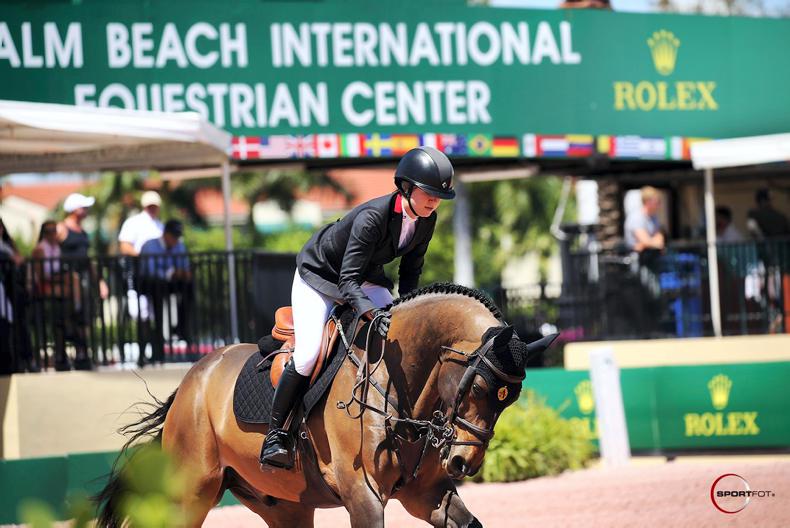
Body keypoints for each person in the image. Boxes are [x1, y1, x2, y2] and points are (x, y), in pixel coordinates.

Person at [260, 146, 455, 469]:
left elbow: (410, 272)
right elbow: (346, 279)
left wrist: (411, 311)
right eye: (429, 193)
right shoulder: (372, 218)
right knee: (308, 354)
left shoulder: (426, 220)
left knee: (403, 334)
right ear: (406, 187)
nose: (434, 201)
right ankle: (275, 435)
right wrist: (371, 313)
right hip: (321, 276)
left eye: (439, 196)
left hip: (364, 277)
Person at [57, 193, 106, 370]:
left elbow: (88, 259)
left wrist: (100, 281)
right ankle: (61, 357)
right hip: (66, 282)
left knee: (83, 318)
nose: (86, 210)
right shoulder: (61, 228)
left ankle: (82, 355)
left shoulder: (83, 232)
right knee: (65, 318)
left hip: (83, 281)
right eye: (83, 207)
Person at [137, 220, 193, 366]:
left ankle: (183, 328)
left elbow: (185, 268)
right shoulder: (150, 246)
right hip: (152, 286)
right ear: (165, 234)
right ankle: (158, 350)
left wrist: (182, 274)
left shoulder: (179, 246)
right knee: (157, 295)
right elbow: (150, 271)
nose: (175, 239)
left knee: (189, 288)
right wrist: (171, 273)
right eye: (173, 236)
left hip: (172, 284)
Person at [624, 186, 665, 253]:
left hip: (651, 254)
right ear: (648, 202)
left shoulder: (654, 217)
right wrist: (650, 243)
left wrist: (647, 244)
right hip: (636, 255)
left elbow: (659, 237)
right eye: (657, 202)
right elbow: (645, 241)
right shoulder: (636, 217)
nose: (659, 205)